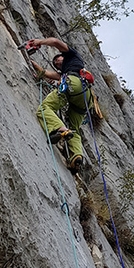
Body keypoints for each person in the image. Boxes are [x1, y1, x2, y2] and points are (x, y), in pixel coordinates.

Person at [25, 36, 93, 174]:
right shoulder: (64, 73)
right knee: (75, 128)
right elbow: (45, 73)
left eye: (58, 59)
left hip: (72, 84)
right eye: (55, 62)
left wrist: (39, 42)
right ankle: (76, 158)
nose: (56, 62)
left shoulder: (71, 55)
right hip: (85, 97)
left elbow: (55, 42)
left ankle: (60, 129)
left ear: (64, 56)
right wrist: (30, 61)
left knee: (44, 108)